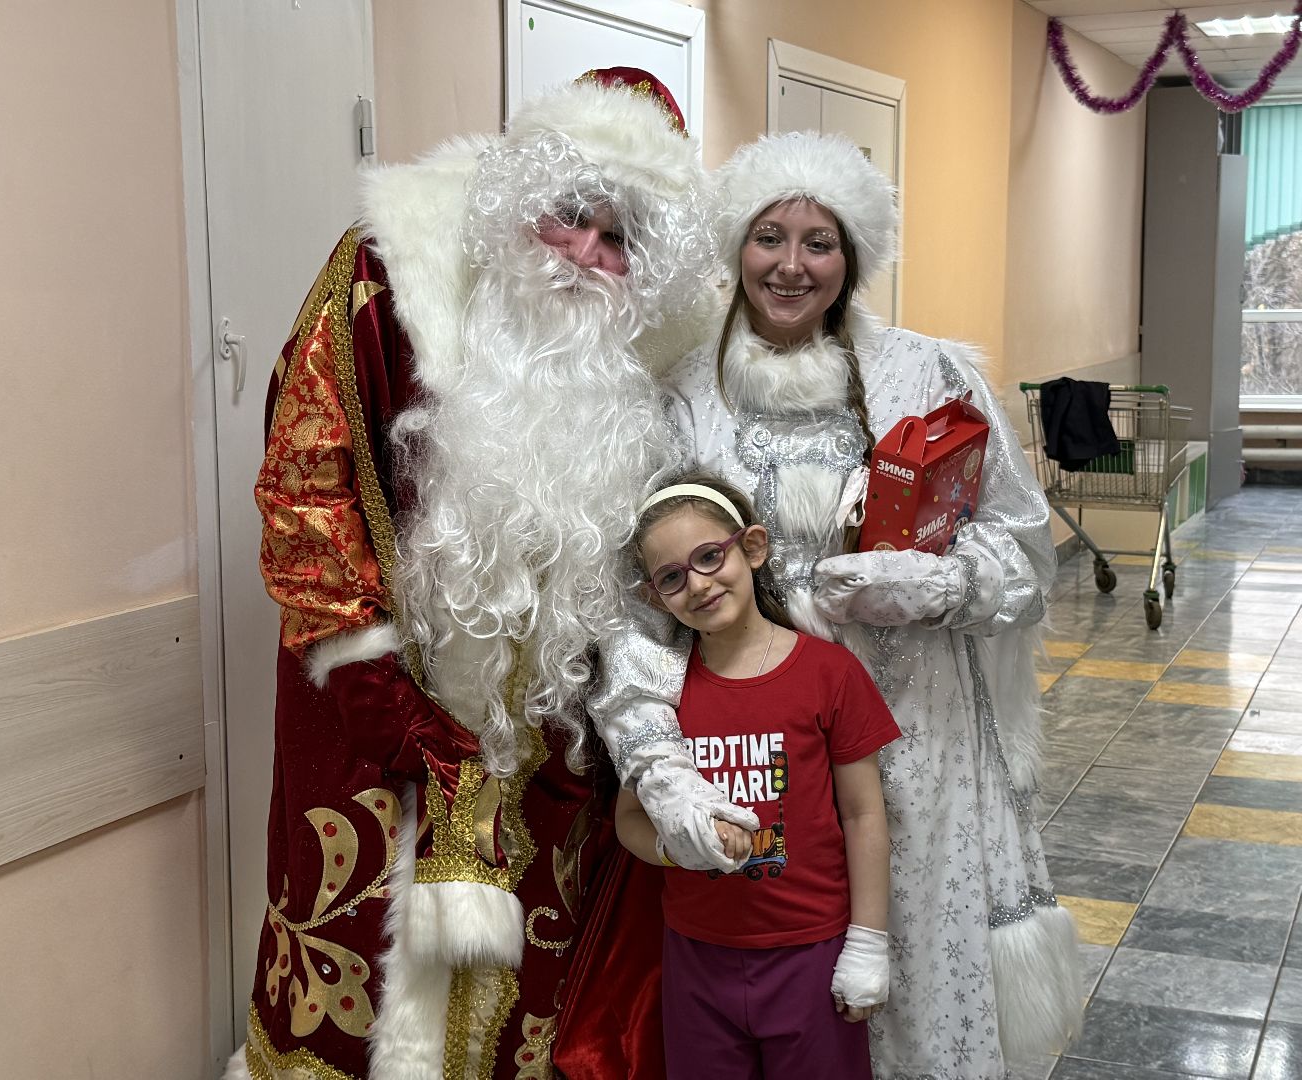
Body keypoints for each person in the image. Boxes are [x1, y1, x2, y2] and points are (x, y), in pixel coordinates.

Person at [226, 69, 733, 1080]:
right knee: (358, 1004)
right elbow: (305, 498)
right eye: (570, 218)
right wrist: (396, 714)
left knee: (522, 1013)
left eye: (619, 241)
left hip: (547, 754)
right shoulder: (386, 279)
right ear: (520, 204)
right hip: (369, 725)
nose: (585, 256)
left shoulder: (637, 361)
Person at [590, 131, 1084, 1078]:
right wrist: (661, 771)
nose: (791, 264)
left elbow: (1025, 557)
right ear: (738, 245)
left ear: (852, 257)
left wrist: (937, 586)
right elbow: (636, 601)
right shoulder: (679, 401)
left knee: (919, 984)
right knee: (787, 1003)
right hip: (763, 744)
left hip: (921, 745)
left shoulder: (932, 376)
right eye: (769, 235)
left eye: (819, 241)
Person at [614, 475, 898, 1078]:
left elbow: (864, 814)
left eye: (709, 556)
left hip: (810, 952)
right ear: (654, 595)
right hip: (698, 957)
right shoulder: (657, 696)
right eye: (672, 577)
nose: (698, 584)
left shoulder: (829, 673)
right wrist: (676, 848)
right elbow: (629, 819)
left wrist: (869, 942)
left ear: (753, 547)